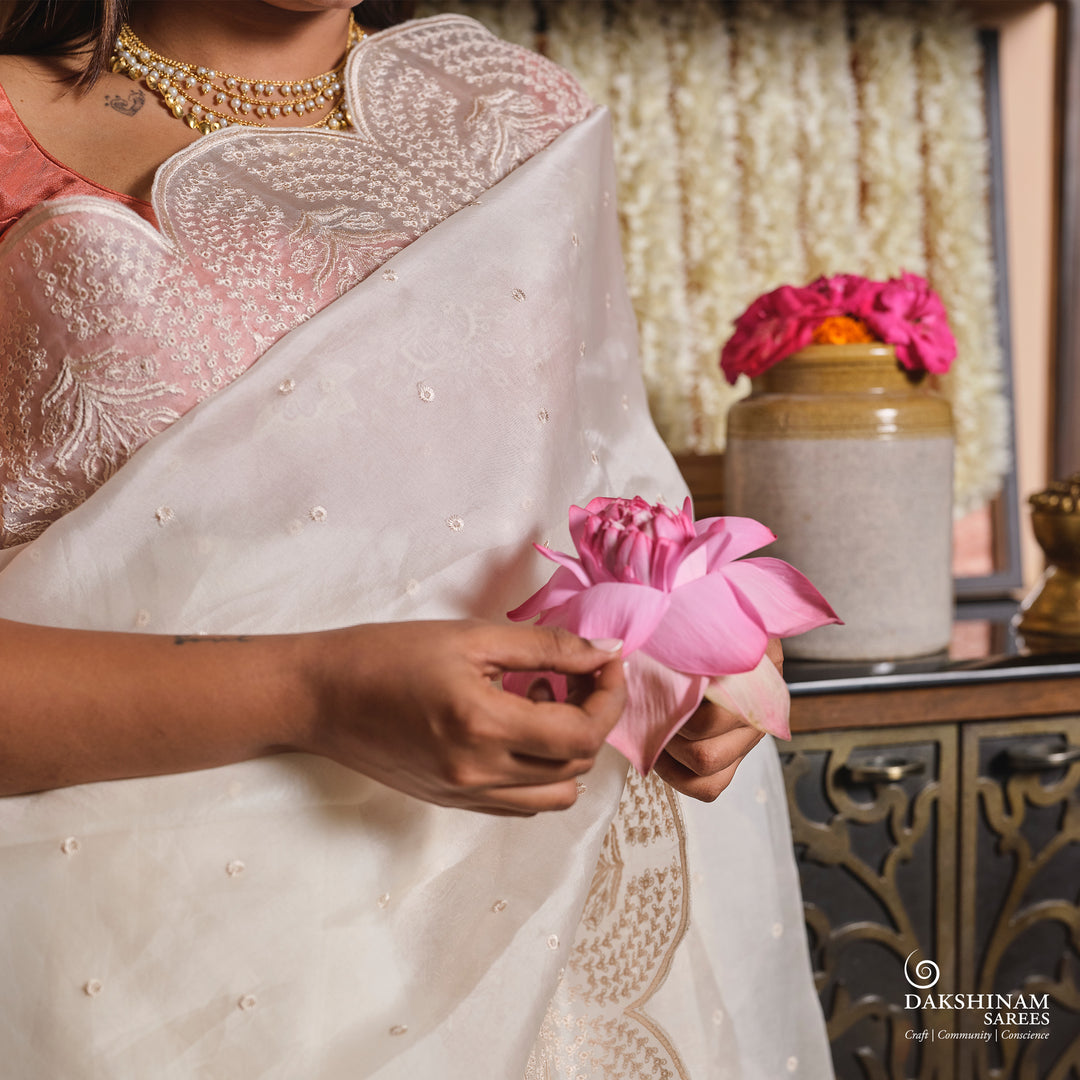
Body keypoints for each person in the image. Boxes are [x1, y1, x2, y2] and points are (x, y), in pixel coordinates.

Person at [0, 2, 833, 1076]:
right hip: (131, 963)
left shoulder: (515, 115)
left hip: (530, 936)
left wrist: (694, 652)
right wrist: (318, 694)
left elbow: (604, 493)